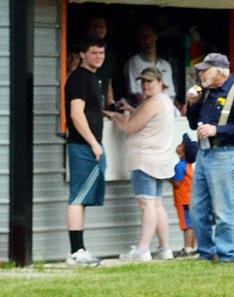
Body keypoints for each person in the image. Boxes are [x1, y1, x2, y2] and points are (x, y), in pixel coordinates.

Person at [185, 52, 234, 264]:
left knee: (223, 210)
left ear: (220, 71)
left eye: (206, 70)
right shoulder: (207, 92)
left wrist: (217, 130)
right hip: (205, 154)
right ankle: (206, 253)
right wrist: (192, 104)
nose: (201, 74)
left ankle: (227, 255)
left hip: (225, 155)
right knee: (198, 209)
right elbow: (192, 123)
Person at [104, 66, 176, 261]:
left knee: (147, 204)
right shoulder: (165, 101)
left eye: (150, 81)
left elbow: (130, 127)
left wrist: (117, 116)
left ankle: (143, 250)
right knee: (157, 204)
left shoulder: (152, 103)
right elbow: (149, 119)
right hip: (160, 160)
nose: (145, 85)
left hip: (145, 160)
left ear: (161, 83)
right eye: (143, 81)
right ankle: (164, 248)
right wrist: (132, 110)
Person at [63, 37, 108, 266]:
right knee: (77, 198)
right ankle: (76, 251)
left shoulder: (92, 78)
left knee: (82, 198)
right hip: (83, 146)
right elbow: (76, 114)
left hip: (89, 145)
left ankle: (80, 248)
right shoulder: (80, 79)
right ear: (82, 54)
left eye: (101, 52)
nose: (98, 57)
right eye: (93, 53)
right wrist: (93, 143)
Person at [123, 24, 176, 107]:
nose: (147, 40)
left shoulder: (166, 65)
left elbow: (171, 94)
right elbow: (136, 95)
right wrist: (154, 108)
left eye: (149, 35)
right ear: (139, 40)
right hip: (145, 111)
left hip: (167, 110)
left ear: (155, 36)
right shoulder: (134, 62)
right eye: (143, 37)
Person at [171, 135, 199, 257]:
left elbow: (177, 183)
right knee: (192, 224)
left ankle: (187, 248)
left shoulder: (179, 166)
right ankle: (194, 246)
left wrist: (167, 178)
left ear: (182, 153)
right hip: (191, 199)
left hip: (183, 200)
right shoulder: (189, 166)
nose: (179, 145)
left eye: (181, 145)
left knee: (186, 225)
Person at [83, 14, 115, 109]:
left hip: (101, 109)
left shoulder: (109, 54)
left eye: (101, 27)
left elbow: (108, 81)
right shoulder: (80, 52)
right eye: (94, 27)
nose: (98, 30)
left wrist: (111, 105)